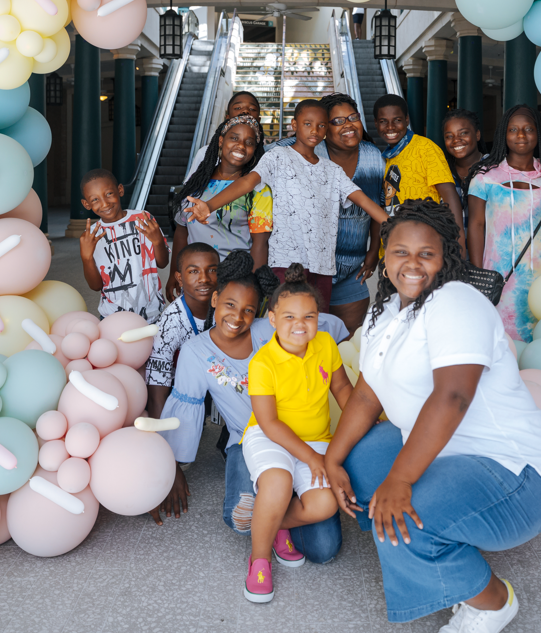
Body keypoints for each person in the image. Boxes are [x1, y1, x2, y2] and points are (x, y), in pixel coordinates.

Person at [324, 200, 541, 630]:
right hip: (449, 453)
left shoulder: (456, 301)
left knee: (401, 512)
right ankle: (435, 538)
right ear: (384, 254)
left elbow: (452, 397)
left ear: (445, 256)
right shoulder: (387, 312)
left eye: (426, 254)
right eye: (400, 252)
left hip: (516, 474)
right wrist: (332, 459)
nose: (412, 264)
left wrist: (399, 482)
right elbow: (366, 395)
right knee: (360, 465)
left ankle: (491, 602)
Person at [155, 252, 343, 567]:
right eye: (229, 305)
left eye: (248, 310)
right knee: (238, 519)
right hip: (249, 441)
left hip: (306, 438)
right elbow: (185, 410)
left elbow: (319, 324)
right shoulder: (195, 352)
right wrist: (171, 466)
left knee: (324, 549)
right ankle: (276, 512)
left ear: (260, 313)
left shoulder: (268, 330)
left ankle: (279, 514)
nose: (237, 317)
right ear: (215, 299)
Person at [185, 99, 390, 308]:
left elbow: (364, 200)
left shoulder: (333, 170)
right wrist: (209, 205)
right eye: (307, 124)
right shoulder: (278, 157)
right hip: (285, 262)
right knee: (285, 323)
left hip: (322, 267)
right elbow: (247, 182)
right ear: (294, 125)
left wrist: (394, 225)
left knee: (314, 326)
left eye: (321, 125)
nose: (315, 130)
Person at [241, 264, 354, 603]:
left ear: (319, 318)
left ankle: (275, 522)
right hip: (268, 436)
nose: (299, 325)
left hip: (316, 439)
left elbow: (344, 390)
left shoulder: (325, 345)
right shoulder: (262, 363)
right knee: (278, 482)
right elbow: (270, 423)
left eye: (309, 316)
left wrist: (369, 420)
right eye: (289, 317)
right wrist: (313, 458)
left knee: (324, 504)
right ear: (272, 319)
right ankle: (259, 560)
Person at [275, 93, 384, 333]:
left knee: (348, 344)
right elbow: (260, 151)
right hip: (306, 270)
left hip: (352, 270)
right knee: (303, 341)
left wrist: (374, 251)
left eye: (353, 117)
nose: (348, 125)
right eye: (336, 121)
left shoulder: (372, 156)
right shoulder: (307, 152)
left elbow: (377, 206)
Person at [466, 105, 541, 343]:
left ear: (538, 134)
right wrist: (479, 275)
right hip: (497, 273)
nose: (521, 135)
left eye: (529, 129)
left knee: (540, 336)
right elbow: (476, 225)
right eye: (513, 130)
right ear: (503, 135)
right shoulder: (484, 176)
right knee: (500, 339)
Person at [167, 114, 270, 299]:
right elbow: (182, 231)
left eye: (249, 142)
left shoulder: (259, 189)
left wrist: (254, 288)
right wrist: (174, 272)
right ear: (221, 141)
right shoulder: (196, 181)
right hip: (196, 278)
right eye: (234, 138)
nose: (241, 146)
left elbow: (260, 244)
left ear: (255, 149)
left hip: (236, 279)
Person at [77, 168, 168, 321]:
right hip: (113, 316)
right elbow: (95, 285)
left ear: (120, 190)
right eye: (95, 200)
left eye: (109, 194)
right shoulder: (90, 236)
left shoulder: (143, 219)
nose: (104, 203)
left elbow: (163, 262)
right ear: (86, 204)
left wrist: (158, 241)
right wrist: (86, 258)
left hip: (153, 312)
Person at [373, 94, 464, 246]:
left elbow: (450, 195)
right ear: (375, 123)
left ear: (407, 120)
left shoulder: (425, 148)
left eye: (397, 120)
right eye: (383, 122)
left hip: (424, 246)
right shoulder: (388, 157)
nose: (390, 127)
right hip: (395, 248)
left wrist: (459, 246)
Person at [144, 242, 218, 418]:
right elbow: (157, 389)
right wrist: (161, 437)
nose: (204, 278)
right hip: (181, 387)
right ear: (179, 278)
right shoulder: (170, 323)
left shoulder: (227, 307)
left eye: (212, 270)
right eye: (194, 271)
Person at [183, 91, 266, 181]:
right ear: (227, 117)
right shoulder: (204, 153)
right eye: (238, 107)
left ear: (258, 120)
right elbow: (190, 185)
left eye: (252, 109)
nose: (245, 111)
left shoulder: (266, 158)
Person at [441, 108, 487, 230]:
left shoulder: (494, 169)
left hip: (489, 248)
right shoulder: (442, 172)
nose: (456, 140)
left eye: (463, 133)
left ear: (477, 135)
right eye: (449, 136)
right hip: (451, 248)